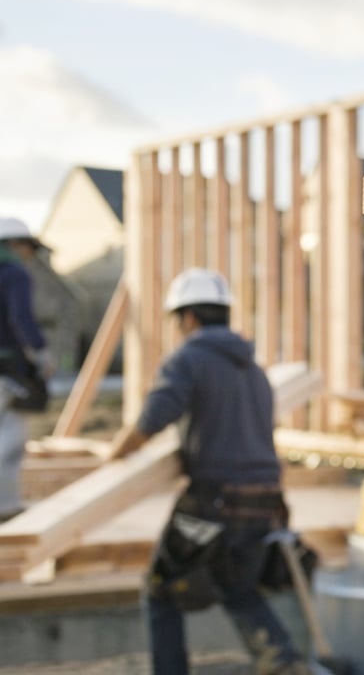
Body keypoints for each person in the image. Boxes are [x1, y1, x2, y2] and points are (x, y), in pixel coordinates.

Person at [108, 267, 310, 675]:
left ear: (187, 318)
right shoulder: (254, 372)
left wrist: (115, 455)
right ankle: (285, 663)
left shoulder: (189, 358)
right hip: (265, 503)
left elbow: (154, 418)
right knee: (237, 587)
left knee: (160, 592)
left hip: (214, 502)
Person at [0, 217, 53, 523]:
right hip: (6, 371)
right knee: (9, 438)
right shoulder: (14, 274)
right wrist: (40, 355)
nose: (30, 257)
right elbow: (22, 319)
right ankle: (5, 508)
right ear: (15, 244)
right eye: (29, 249)